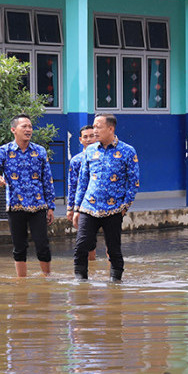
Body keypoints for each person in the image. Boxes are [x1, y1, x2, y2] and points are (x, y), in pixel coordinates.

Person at [0, 114, 56, 278]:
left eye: (30, 126)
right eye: (24, 126)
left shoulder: (40, 151)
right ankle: (21, 282)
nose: (28, 129)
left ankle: (48, 278)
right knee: (19, 246)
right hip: (15, 206)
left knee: (42, 245)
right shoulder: (4, 151)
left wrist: (51, 207)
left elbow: (47, 180)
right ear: (13, 130)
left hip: (38, 205)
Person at [72, 114, 140, 282]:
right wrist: (76, 208)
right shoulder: (90, 151)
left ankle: (116, 283)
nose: (94, 130)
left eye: (98, 127)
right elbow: (83, 181)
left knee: (114, 249)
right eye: (93, 126)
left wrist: (124, 206)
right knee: (81, 246)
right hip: (89, 207)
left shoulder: (127, 151)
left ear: (111, 129)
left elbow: (134, 182)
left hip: (114, 209)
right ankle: (80, 283)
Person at [67, 125, 98, 261]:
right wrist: (71, 208)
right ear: (80, 140)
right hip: (84, 205)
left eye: (92, 136)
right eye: (85, 137)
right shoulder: (76, 161)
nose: (89, 139)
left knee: (111, 240)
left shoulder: (105, 156)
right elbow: (72, 185)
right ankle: (91, 268)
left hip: (103, 202)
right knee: (86, 240)